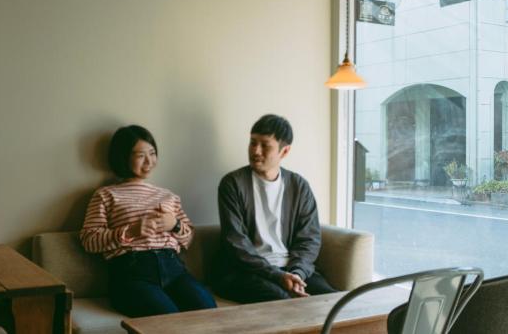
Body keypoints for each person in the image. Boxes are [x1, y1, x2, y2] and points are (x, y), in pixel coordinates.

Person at [79, 125, 216, 317]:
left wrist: (175, 225)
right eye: (140, 155)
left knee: (209, 312)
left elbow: (188, 238)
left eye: (152, 153)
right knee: (167, 319)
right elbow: (89, 240)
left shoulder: (168, 196)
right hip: (132, 273)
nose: (149, 161)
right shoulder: (105, 195)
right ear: (123, 157)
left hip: (174, 269)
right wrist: (130, 231)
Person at [214, 114, 337, 303]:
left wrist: (298, 273)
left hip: (291, 268)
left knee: (334, 300)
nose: (256, 150)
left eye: (265, 145)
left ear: (284, 151)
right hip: (244, 272)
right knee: (282, 300)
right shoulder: (232, 184)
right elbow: (235, 243)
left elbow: (309, 239)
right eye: (253, 143)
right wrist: (277, 276)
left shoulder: (299, 186)